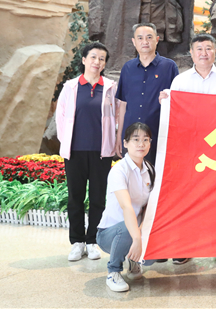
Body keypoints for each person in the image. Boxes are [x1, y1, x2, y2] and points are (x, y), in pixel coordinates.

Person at [160, 34, 216, 265]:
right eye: (199, 49)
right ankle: (185, 246)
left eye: (208, 48)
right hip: (189, 148)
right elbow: (174, 114)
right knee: (188, 197)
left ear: (215, 51)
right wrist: (166, 101)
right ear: (191, 53)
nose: (204, 53)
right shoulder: (180, 81)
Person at [56, 42, 118, 262]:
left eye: (101, 59)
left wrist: (114, 143)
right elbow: (60, 117)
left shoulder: (110, 88)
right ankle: (77, 242)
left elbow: (117, 117)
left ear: (104, 64)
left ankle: (92, 241)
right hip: (75, 152)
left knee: (98, 198)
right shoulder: (70, 87)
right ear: (84, 60)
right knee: (75, 198)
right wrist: (67, 143)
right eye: (93, 57)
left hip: (101, 152)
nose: (97, 62)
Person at [97, 122, 160, 292]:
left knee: (152, 251)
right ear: (125, 143)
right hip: (110, 234)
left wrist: (143, 229)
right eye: (136, 139)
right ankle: (113, 272)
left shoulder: (150, 169)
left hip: (135, 229)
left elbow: (148, 206)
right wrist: (138, 239)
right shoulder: (119, 170)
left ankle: (133, 261)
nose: (141, 144)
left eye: (146, 140)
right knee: (127, 226)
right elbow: (126, 207)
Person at [115, 23, 179, 165]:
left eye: (149, 37)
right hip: (131, 136)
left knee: (156, 175)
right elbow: (123, 104)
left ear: (157, 39)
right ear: (134, 42)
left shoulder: (169, 67)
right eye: (140, 38)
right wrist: (119, 136)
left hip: (159, 135)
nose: (145, 41)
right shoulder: (127, 68)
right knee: (132, 174)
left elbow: (177, 102)